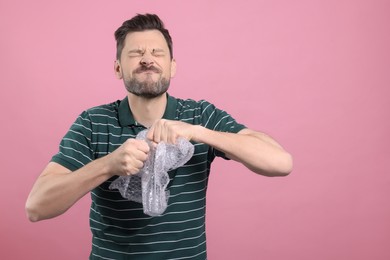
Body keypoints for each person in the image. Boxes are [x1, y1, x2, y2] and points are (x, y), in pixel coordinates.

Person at [26, 13, 293, 259]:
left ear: (172, 66)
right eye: (136, 53)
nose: (147, 59)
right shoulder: (93, 122)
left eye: (157, 52)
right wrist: (108, 165)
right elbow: (37, 206)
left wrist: (198, 132)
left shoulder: (200, 115)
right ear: (118, 68)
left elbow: (281, 163)